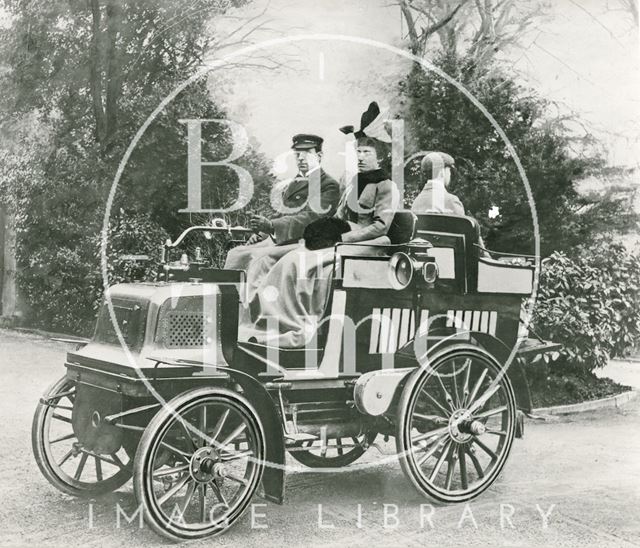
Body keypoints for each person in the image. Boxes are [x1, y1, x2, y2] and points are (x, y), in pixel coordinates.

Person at [239, 105, 399, 348]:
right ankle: (271, 322)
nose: (361, 156)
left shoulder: (386, 186)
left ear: (381, 156)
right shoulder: (354, 183)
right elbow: (339, 213)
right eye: (359, 151)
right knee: (287, 257)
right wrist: (324, 230)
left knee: (298, 262)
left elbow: (381, 227)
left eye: (366, 152)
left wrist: (343, 239)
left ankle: (296, 326)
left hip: (367, 243)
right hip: (340, 235)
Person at [224, 134, 340, 270]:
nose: (301, 158)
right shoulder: (295, 183)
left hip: (306, 243)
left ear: (319, 156)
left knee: (258, 258)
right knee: (236, 254)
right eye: (297, 154)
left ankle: (253, 292)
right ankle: (231, 291)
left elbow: (311, 219)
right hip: (285, 239)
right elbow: (281, 214)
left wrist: (272, 226)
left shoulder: (328, 185)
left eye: (307, 153)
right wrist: (263, 233)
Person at [411, 151, 465, 216]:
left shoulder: (416, 203)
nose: (450, 174)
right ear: (442, 171)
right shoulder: (452, 201)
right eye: (449, 170)